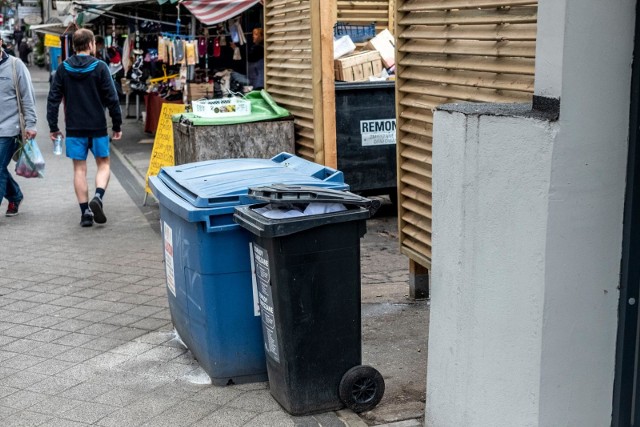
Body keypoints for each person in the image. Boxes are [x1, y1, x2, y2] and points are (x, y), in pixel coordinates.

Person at [47, 29, 122, 227]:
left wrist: (53, 127)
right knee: (103, 164)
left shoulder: (63, 69)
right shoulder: (100, 67)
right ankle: (98, 196)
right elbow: (112, 99)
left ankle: (85, 214)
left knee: (79, 169)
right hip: (97, 126)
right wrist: (117, 125)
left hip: (74, 128)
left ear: (73, 46)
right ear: (91, 45)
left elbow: (53, 100)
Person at [0, 36, 37, 218]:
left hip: (8, 128)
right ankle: (15, 195)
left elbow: (27, 97)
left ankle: (14, 197)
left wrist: (31, 124)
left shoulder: (16, 66)